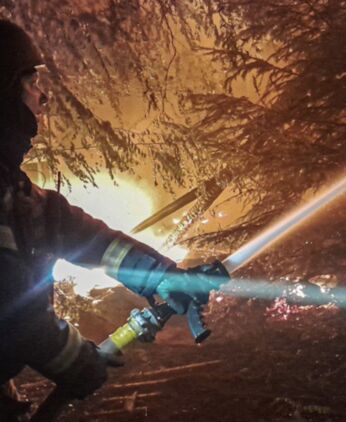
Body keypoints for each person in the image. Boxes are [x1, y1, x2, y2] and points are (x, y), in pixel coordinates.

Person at [0, 19, 225, 419]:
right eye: (31, 83)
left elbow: (70, 230)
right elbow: (12, 309)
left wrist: (158, 274)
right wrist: (75, 360)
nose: (42, 96)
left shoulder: (10, 187)